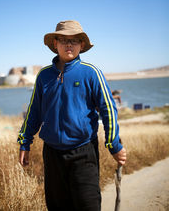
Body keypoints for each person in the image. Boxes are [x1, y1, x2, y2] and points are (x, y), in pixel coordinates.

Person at [17, 20, 126, 211]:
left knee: (87, 206)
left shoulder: (91, 73)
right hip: (51, 154)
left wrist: (114, 145)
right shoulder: (44, 75)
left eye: (74, 41)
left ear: (81, 45)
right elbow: (34, 111)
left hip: (83, 153)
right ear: (55, 44)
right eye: (63, 40)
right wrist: (24, 142)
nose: (69, 45)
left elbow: (108, 109)